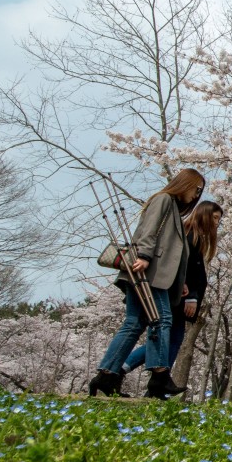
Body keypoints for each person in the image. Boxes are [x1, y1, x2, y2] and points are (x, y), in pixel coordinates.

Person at [89, 169, 204, 399]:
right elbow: (149, 231)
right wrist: (145, 256)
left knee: (134, 323)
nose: (197, 194)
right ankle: (160, 377)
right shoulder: (163, 200)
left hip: (154, 274)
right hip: (148, 273)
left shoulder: (173, 209)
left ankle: (106, 375)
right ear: (184, 184)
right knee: (161, 320)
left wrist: (180, 281)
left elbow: (174, 251)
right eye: (196, 188)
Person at [121, 200, 223, 398]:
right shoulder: (190, 235)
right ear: (204, 214)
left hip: (177, 295)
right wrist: (191, 296)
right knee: (169, 339)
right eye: (215, 217)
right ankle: (147, 379)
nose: (217, 222)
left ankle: (150, 380)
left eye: (219, 219)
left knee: (168, 339)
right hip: (178, 296)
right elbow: (185, 268)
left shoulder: (195, 236)